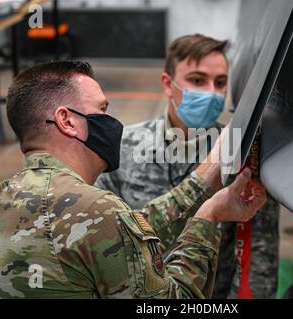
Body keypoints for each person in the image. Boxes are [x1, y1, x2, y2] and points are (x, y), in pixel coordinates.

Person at [0, 61, 266, 299]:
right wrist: (209, 216)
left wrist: (208, 172)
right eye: (101, 111)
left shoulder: (6, 197)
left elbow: (125, 232)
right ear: (66, 120)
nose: (112, 123)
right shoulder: (96, 209)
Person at [95, 34, 280, 299]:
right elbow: (107, 243)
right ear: (167, 85)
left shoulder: (241, 154)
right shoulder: (124, 148)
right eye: (196, 80)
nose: (211, 92)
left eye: (220, 83)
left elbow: (258, 257)